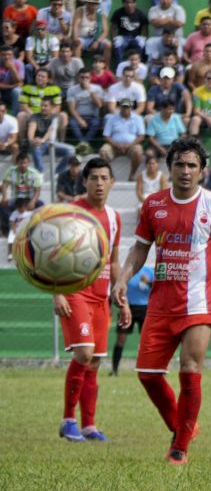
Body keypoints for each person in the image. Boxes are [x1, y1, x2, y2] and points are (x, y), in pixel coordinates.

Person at [113, 136, 211, 465]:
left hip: (199, 304)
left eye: (192, 165)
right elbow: (140, 247)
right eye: (179, 165)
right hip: (160, 303)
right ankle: (184, 427)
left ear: (203, 171)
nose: (185, 171)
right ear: (169, 168)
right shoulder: (153, 204)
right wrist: (122, 278)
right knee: (147, 373)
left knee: (189, 369)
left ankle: (180, 448)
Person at [52, 157, 123, 442]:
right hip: (75, 292)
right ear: (85, 182)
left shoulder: (115, 218)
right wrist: (57, 291)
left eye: (104, 178)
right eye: (93, 178)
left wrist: (121, 294)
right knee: (83, 353)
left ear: (112, 182)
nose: (99, 183)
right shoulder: (72, 212)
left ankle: (88, 425)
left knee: (94, 362)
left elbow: (114, 261)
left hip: (101, 296)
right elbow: (52, 255)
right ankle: (68, 419)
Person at [110, 265, 152, 376]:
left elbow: (157, 288)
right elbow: (116, 286)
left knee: (148, 341)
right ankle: (114, 370)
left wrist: (147, 282)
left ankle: (150, 369)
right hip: (127, 307)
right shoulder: (125, 272)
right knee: (120, 340)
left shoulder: (149, 271)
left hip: (144, 308)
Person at [100, 97, 145, 179]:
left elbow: (141, 136)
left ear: (131, 107)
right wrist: (116, 145)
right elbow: (106, 136)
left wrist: (128, 145)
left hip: (131, 145)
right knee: (103, 152)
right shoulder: (112, 118)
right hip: (114, 145)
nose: (125, 109)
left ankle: (132, 175)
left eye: (127, 107)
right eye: (123, 107)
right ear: (119, 107)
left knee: (138, 152)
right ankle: (111, 175)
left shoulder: (138, 118)